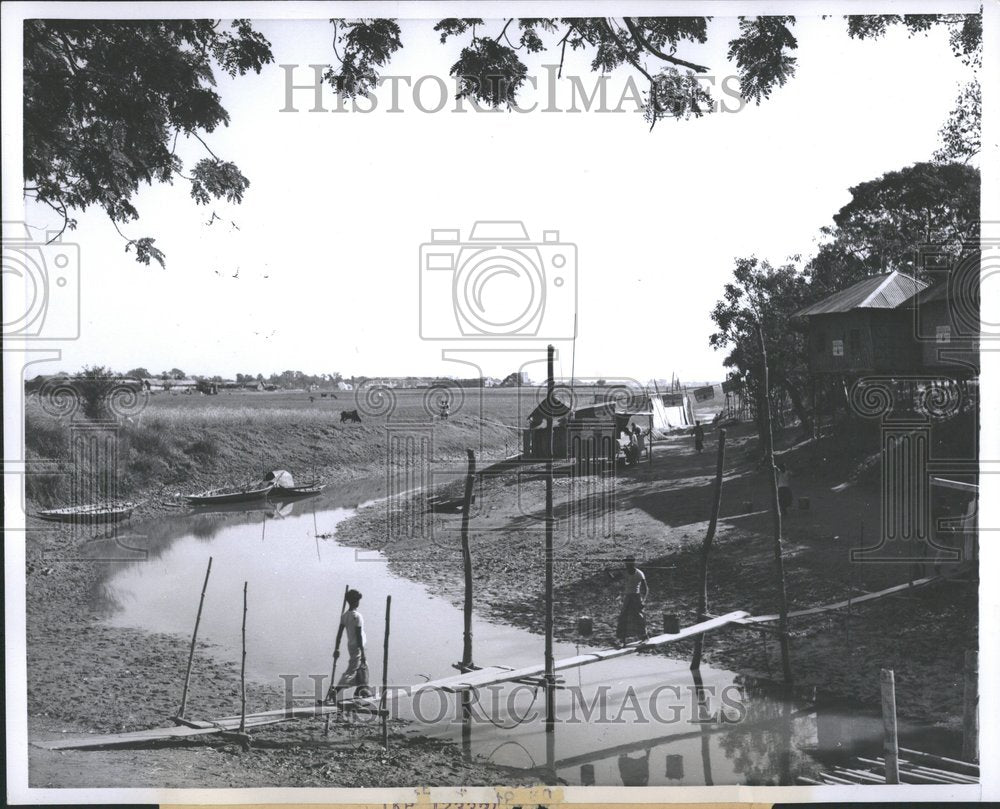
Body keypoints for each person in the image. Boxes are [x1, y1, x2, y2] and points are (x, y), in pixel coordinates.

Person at [326, 589, 368, 703]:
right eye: (358, 600)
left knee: (361, 668)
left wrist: (337, 648)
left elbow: (339, 634)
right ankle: (336, 690)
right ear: (356, 602)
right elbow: (359, 636)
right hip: (358, 646)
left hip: (351, 645)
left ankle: (360, 689)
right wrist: (363, 653)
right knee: (352, 670)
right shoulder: (357, 616)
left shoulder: (344, 616)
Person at [616, 556, 649, 646]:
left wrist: (643, 601)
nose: (626, 565)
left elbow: (646, 588)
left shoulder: (639, 574)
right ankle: (622, 640)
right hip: (627, 597)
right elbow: (613, 579)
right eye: (626, 563)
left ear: (633, 563)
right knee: (623, 617)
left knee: (639, 616)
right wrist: (607, 573)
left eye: (628, 563)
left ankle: (644, 637)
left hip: (636, 597)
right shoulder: (625, 572)